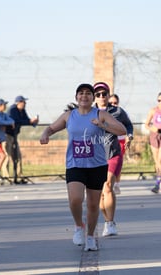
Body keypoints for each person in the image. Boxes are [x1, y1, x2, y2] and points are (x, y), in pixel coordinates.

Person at [40, 83, 126, 251]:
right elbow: (51, 128)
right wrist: (45, 134)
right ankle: (79, 226)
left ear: (92, 98)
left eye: (88, 93)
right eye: (81, 93)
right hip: (75, 164)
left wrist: (104, 126)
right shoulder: (68, 116)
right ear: (76, 97)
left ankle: (90, 236)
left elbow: (121, 129)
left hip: (97, 165)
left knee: (93, 205)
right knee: (75, 199)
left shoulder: (100, 114)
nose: (84, 96)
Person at [94, 82, 133, 237]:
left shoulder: (117, 111)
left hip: (113, 152)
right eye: (98, 94)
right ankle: (107, 220)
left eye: (104, 94)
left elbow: (128, 125)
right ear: (94, 97)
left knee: (108, 185)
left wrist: (129, 135)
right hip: (96, 156)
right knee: (100, 193)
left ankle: (110, 224)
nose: (101, 97)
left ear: (109, 95)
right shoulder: (89, 112)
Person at [5, 95, 39, 184]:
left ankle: (19, 177)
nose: (25, 104)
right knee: (7, 156)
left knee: (18, 156)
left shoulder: (22, 110)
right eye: (23, 102)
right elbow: (16, 121)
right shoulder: (12, 110)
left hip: (15, 135)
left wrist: (33, 122)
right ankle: (6, 178)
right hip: (8, 135)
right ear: (18, 102)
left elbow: (26, 119)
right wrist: (29, 121)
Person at [108, 93, 129, 195]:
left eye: (115, 103)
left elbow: (128, 126)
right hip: (107, 141)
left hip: (120, 141)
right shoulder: (104, 113)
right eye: (111, 103)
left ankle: (116, 184)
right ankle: (108, 182)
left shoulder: (121, 113)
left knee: (117, 165)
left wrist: (129, 137)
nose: (113, 104)